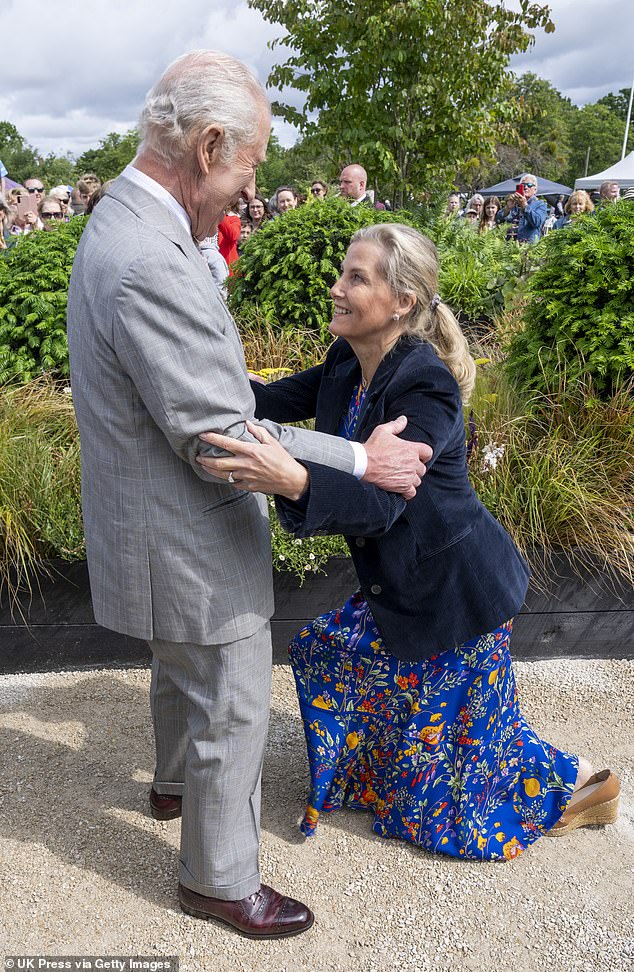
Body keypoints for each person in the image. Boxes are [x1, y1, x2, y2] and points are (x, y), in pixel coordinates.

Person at [66, 49, 431, 940]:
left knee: (176, 668)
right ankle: (218, 878)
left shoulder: (124, 224)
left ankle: (171, 784)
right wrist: (356, 459)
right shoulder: (149, 257)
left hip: (146, 516)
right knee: (227, 692)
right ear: (208, 145)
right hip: (186, 529)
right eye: (252, 162)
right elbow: (223, 436)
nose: (251, 183)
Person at [198, 222, 620, 861]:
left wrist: (296, 481)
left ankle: (585, 785)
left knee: (455, 797)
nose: (336, 287)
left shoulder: (425, 387)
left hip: (455, 594)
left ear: (403, 302)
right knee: (328, 654)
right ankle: (383, 774)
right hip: (405, 584)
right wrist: (192, 388)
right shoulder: (348, 362)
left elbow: (380, 506)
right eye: (343, 272)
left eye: (356, 278)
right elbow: (267, 400)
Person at [496, 173, 547, 242]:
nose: (526, 187)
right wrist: (507, 208)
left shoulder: (540, 204)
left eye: (529, 185)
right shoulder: (514, 204)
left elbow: (536, 222)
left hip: (528, 248)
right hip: (509, 247)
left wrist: (525, 206)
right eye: (523, 185)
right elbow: (498, 220)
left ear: (535, 190)